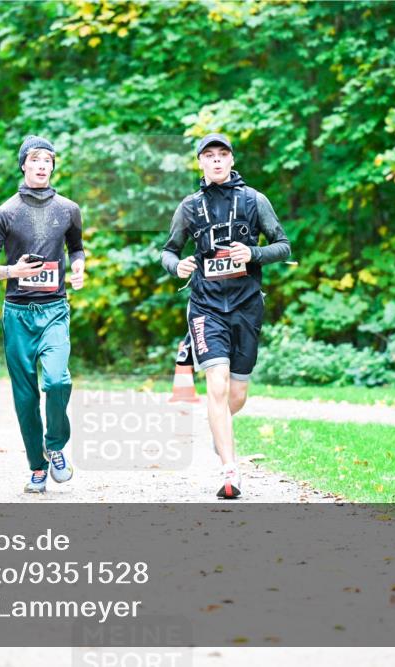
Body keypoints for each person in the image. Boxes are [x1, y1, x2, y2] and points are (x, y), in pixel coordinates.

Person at [161, 133, 291, 499]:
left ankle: (221, 433)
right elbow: (168, 251)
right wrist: (178, 265)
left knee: (236, 393)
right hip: (206, 306)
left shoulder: (254, 200)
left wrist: (253, 253)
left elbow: (283, 246)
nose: (216, 161)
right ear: (200, 162)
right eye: (209, 156)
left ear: (232, 160)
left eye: (223, 155)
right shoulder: (189, 207)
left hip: (247, 305)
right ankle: (229, 473)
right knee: (215, 385)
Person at [0, 135, 86, 494]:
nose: (41, 165)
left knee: (58, 381)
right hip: (18, 314)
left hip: (54, 308)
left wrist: (79, 268)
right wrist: (11, 272)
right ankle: (37, 468)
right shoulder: (6, 212)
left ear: (53, 166)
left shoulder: (68, 208)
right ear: (23, 164)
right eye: (35, 159)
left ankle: (54, 444)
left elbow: (77, 248)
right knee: (25, 396)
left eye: (48, 160)